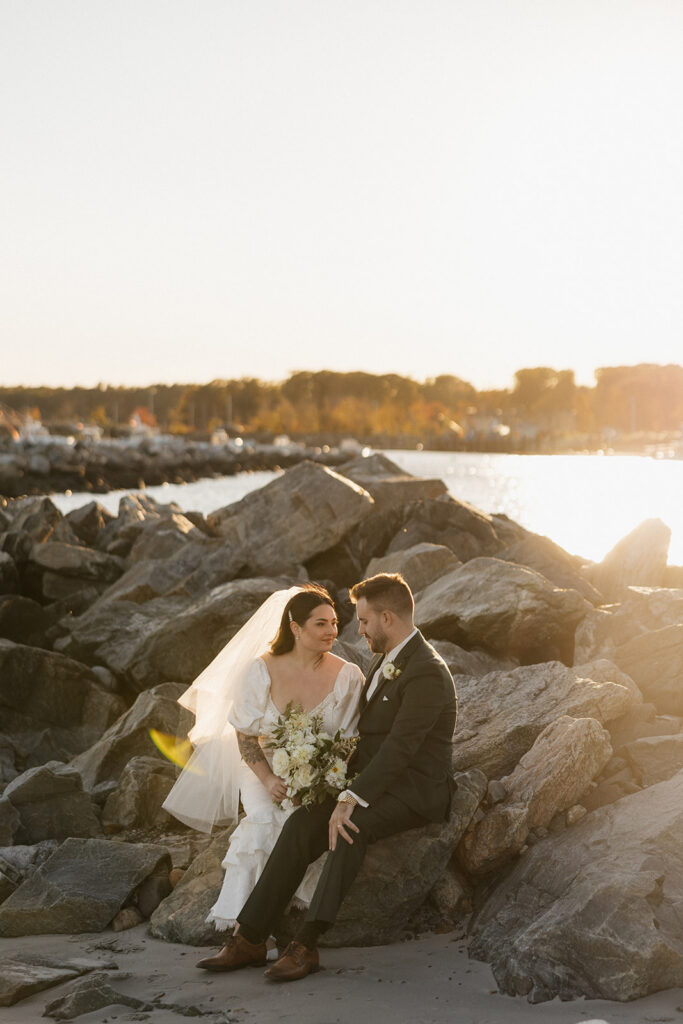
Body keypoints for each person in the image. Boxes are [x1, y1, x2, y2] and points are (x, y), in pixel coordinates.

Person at [198, 572, 458, 982]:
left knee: (350, 825)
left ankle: (306, 943)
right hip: (378, 780)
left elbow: (400, 749)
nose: (357, 630)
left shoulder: (426, 671)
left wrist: (350, 797)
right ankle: (249, 937)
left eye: (364, 621)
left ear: (387, 618)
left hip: (416, 790)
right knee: (304, 822)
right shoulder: (389, 659)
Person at [163, 583, 363, 945]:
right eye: (320, 624)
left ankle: (261, 929)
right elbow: (244, 736)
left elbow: (349, 741)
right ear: (295, 627)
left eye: (334, 622)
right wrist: (269, 778)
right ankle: (246, 933)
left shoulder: (348, 675)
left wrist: (319, 780)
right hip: (261, 769)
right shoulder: (261, 670)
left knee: (296, 824)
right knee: (262, 823)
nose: (332, 631)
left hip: (320, 775)